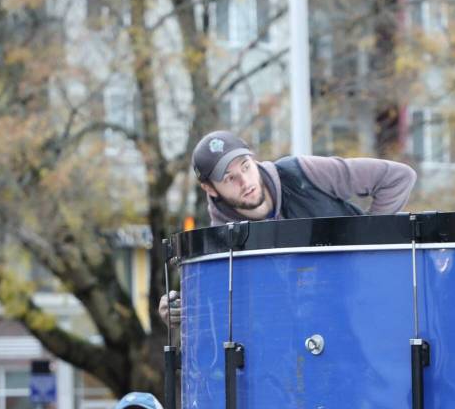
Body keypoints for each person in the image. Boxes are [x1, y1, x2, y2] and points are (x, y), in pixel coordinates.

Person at [159, 129, 418, 324]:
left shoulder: (305, 174)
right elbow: (218, 314)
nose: (245, 181)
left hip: (372, 308)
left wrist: (363, 250)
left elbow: (398, 178)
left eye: (246, 167)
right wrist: (179, 310)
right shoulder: (220, 244)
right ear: (209, 189)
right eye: (229, 178)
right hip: (304, 344)